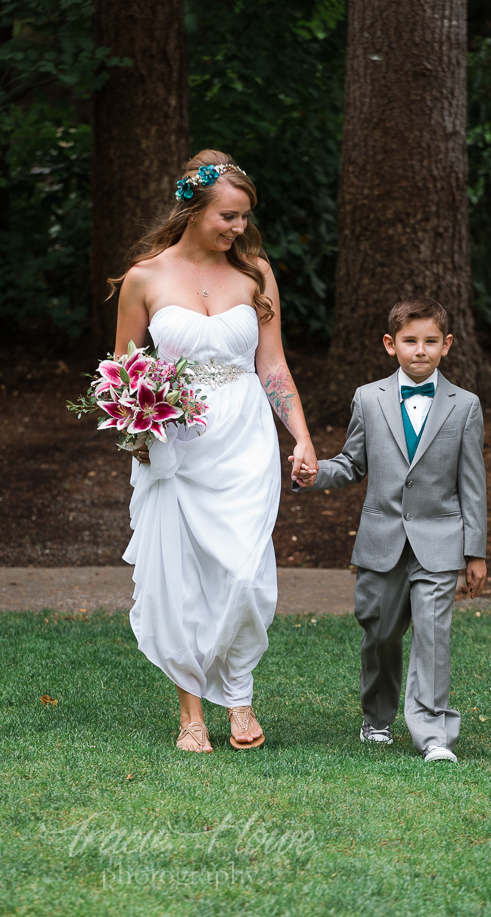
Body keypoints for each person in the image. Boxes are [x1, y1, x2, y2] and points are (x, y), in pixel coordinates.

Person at [109, 150, 317, 753]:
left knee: (247, 575)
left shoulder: (256, 275)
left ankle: (240, 692)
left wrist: (300, 434)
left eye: (245, 218)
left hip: (245, 436)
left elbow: (272, 364)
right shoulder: (145, 278)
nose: (238, 229)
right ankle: (194, 712)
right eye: (228, 216)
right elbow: (121, 370)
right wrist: (137, 430)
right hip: (175, 443)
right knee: (182, 576)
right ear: (193, 209)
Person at [297, 296, 487, 763]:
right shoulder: (368, 398)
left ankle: (434, 735)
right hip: (382, 542)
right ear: (390, 344)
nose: (420, 350)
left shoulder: (465, 406)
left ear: (447, 345)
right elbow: (351, 462)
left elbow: (473, 483)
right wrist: (315, 472)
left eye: (430, 341)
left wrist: (475, 551)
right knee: (380, 635)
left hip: (440, 544)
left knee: (433, 636)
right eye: (409, 341)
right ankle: (376, 719)